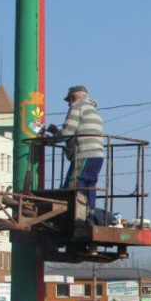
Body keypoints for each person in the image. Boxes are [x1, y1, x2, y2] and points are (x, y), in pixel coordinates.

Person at [46, 85, 105, 221]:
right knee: (89, 186)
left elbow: (67, 133)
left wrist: (48, 141)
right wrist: (57, 133)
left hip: (84, 154)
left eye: (68, 101)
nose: (68, 104)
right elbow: (79, 133)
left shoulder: (77, 107)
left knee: (72, 187)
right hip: (97, 156)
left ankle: (71, 219)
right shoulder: (94, 110)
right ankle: (90, 217)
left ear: (72, 97)